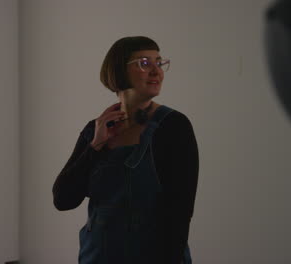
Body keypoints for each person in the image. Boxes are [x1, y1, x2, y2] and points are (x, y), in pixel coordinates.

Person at [52, 36, 199, 264]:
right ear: (119, 70)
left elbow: (180, 213)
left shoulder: (173, 126)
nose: (156, 71)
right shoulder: (95, 130)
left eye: (159, 63)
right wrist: (95, 146)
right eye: (144, 63)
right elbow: (63, 200)